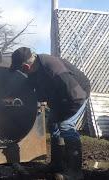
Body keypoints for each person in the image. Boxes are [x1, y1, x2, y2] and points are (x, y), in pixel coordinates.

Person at [9, 47, 90, 180]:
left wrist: (63, 116)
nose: (21, 72)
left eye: (20, 69)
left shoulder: (54, 68)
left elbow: (77, 96)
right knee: (53, 126)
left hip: (77, 94)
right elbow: (27, 89)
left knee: (66, 126)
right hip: (60, 99)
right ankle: (57, 164)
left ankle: (75, 172)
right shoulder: (34, 70)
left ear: (26, 66)